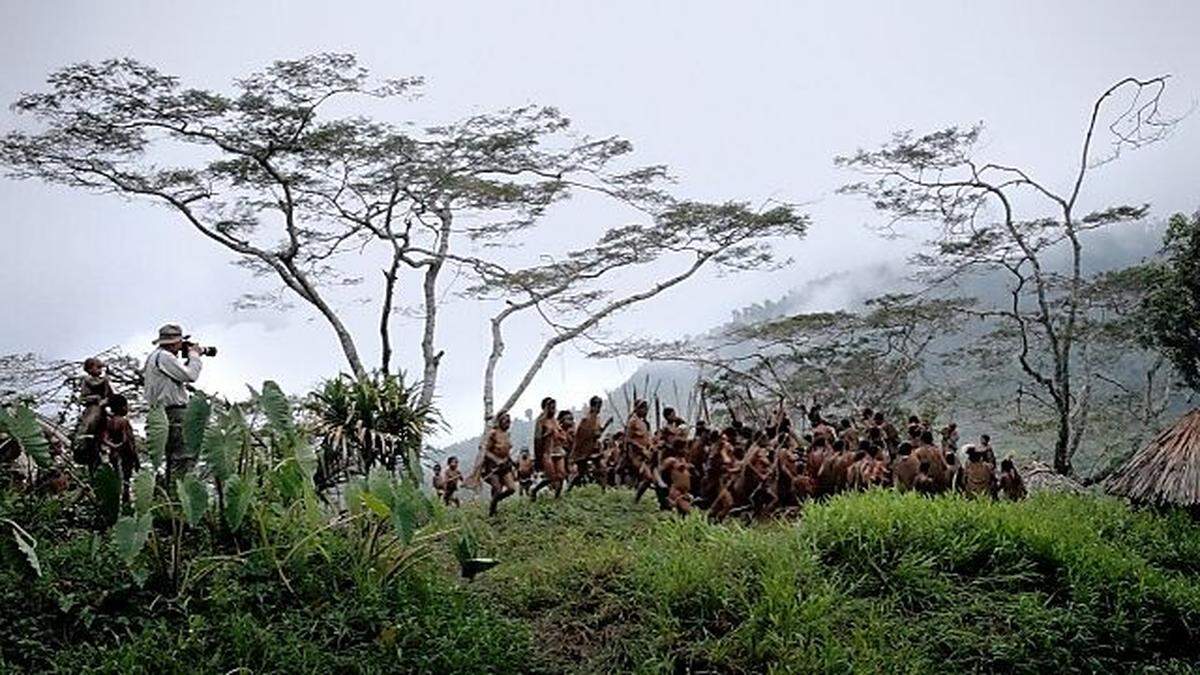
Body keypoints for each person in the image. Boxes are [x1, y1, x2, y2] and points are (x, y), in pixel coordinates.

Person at [142, 324, 204, 484]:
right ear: (175, 343)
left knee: (173, 458)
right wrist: (195, 355)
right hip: (175, 412)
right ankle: (180, 498)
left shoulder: (154, 356)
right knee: (184, 457)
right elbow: (190, 375)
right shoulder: (165, 357)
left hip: (163, 412)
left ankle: (172, 495)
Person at [73, 357, 114, 472]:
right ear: (90, 368)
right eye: (98, 367)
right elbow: (82, 398)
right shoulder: (86, 380)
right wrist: (94, 398)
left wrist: (105, 401)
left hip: (103, 409)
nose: (100, 370)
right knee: (88, 426)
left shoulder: (105, 380)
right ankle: (83, 443)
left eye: (101, 367)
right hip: (92, 409)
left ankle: (106, 446)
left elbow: (111, 396)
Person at [102, 393, 138, 506]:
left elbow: (105, 439)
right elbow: (128, 441)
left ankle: (117, 504)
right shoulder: (123, 422)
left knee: (117, 479)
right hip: (126, 456)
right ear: (123, 407)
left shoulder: (109, 421)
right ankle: (125, 504)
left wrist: (113, 447)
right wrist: (136, 459)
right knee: (126, 482)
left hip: (114, 455)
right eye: (127, 406)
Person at [482, 413, 518, 516]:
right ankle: (492, 512)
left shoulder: (507, 434)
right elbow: (486, 451)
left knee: (511, 489)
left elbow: (506, 452)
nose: (508, 423)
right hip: (492, 467)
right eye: (505, 421)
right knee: (497, 489)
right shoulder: (493, 434)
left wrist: (513, 462)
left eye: (509, 421)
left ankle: (494, 502)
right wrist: (496, 460)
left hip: (505, 465)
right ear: (499, 422)